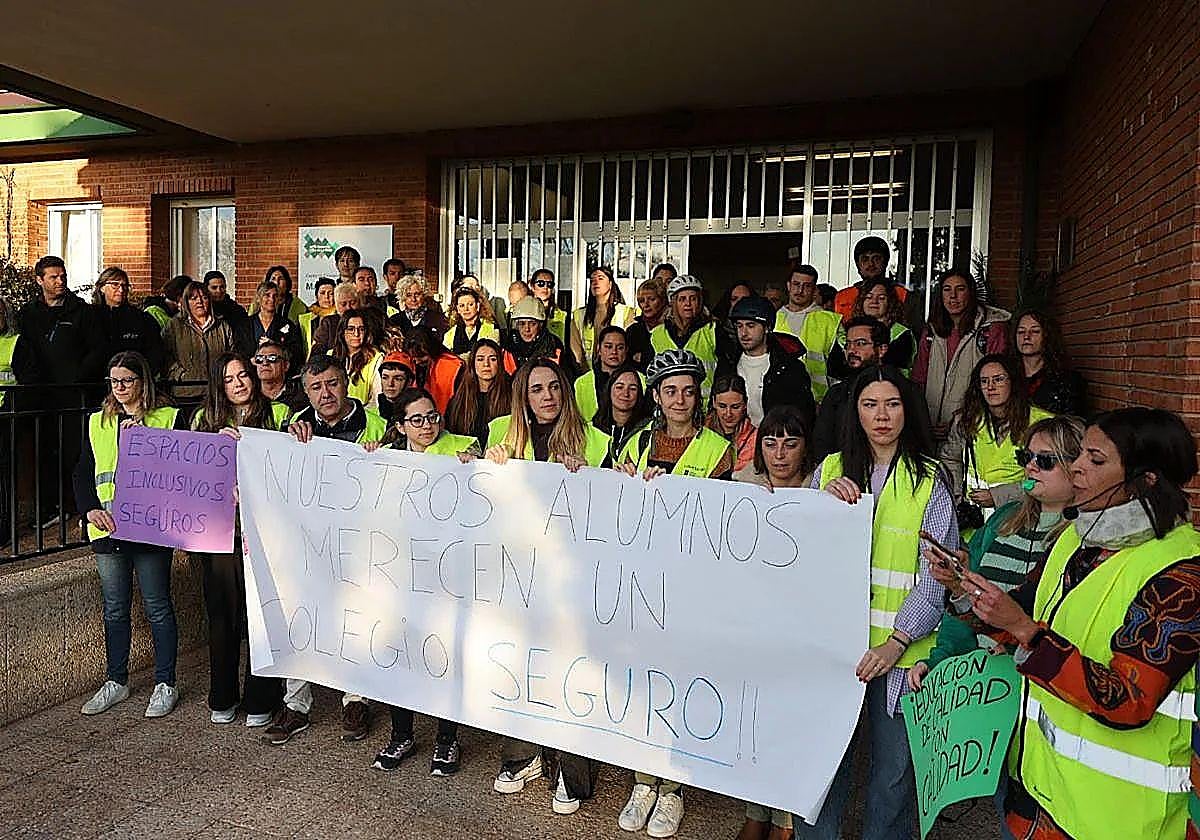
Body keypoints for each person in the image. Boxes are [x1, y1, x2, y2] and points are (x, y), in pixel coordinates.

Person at [952, 408, 1200, 840]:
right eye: (1081, 454)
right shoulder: (1076, 539)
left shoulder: (1181, 573)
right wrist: (964, 588)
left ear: (1146, 479)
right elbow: (1019, 614)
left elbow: (1128, 700)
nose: (1078, 467)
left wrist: (1028, 632)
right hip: (1040, 795)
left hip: (1121, 820)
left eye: (1096, 460)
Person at [797, 364, 956, 840]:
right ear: (855, 411)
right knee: (821, 771)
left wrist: (896, 642)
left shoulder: (929, 479)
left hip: (904, 654)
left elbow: (936, 577)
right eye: (870, 404)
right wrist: (819, 505)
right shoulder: (827, 471)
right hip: (835, 652)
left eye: (892, 404)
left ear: (908, 410)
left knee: (893, 779)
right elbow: (796, 554)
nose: (882, 415)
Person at [484, 360, 611, 816]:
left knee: (571, 671)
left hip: (573, 578)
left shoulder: (595, 440)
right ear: (524, 397)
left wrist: (591, 474)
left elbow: (614, 507)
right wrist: (476, 465)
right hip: (519, 575)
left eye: (554, 387)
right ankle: (523, 755)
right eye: (536, 389)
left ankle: (573, 776)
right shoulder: (505, 435)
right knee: (520, 664)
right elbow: (479, 494)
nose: (547, 396)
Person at [615, 348, 734, 838]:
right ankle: (643, 780)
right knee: (641, 683)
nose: (679, 398)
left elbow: (724, 521)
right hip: (642, 584)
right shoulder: (637, 443)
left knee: (677, 684)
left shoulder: (716, 449)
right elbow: (613, 505)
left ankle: (673, 790)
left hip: (690, 588)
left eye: (688, 390)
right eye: (669, 390)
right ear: (657, 397)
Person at [909, 415, 1084, 685]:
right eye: (1026, 457)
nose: (1031, 468)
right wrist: (939, 661)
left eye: (1045, 460)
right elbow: (967, 600)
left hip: (1035, 687)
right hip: (978, 688)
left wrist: (1014, 646)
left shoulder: (1082, 541)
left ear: (1078, 468)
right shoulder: (1003, 520)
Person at [265, 357, 387, 745]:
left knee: (356, 618)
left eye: (332, 384)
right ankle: (296, 704)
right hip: (309, 543)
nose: (325, 394)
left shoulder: (377, 423)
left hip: (361, 540)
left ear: (346, 382)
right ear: (306, 390)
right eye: (316, 387)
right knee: (300, 616)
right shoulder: (294, 427)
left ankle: (355, 699)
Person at [364, 387, 478, 776]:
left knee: (444, 654)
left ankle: (447, 740)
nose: (427, 425)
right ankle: (402, 733)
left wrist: (476, 467)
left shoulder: (464, 448)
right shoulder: (387, 457)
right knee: (401, 652)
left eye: (432, 416)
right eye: (417, 419)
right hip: (401, 575)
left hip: (449, 575)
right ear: (400, 426)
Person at [74, 351, 187, 719]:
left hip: (151, 530)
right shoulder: (98, 422)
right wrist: (89, 508)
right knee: (115, 609)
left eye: (126, 381)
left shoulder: (168, 418)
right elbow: (82, 471)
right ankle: (116, 680)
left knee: (157, 606)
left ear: (143, 382)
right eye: (114, 382)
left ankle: (165, 683)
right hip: (108, 529)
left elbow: (184, 472)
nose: (119, 388)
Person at [190, 353, 289, 727]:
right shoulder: (203, 420)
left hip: (264, 534)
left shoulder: (278, 416)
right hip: (220, 534)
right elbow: (189, 475)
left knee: (260, 618)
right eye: (230, 379)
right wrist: (214, 449)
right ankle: (223, 695)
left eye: (243, 375)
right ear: (219, 385)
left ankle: (262, 697)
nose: (239, 383)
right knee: (222, 617)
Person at [736, 405, 811, 840]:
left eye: (790, 442)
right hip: (754, 625)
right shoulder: (741, 489)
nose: (780, 453)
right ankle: (757, 810)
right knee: (755, 722)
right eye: (771, 442)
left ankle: (785, 819)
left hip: (799, 630)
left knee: (791, 724)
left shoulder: (824, 496)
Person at [939, 354, 1054, 524]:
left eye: (998, 379)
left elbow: (1051, 478)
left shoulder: (1042, 423)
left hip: (1020, 516)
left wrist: (999, 496)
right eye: (984, 381)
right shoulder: (966, 420)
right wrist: (957, 497)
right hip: (973, 520)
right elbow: (950, 459)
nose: (990, 387)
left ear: (1012, 382)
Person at [913, 268, 1010, 438]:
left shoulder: (991, 329)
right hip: (930, 429)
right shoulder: (931, 331)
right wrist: (922, 421)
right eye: (947, 289)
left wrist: (959, 420)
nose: (953, 296)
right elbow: (918, 380)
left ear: (971, 293)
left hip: (972, 428)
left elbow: (995, 384)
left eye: (960, 289)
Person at [716, 295, 815, 431]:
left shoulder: (789, 368)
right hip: (733, 441)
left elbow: (803, 416)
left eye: (751, 326)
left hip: (773, 444)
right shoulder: (727, 363)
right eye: (739, 326)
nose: (743, 333)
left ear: (767, 328)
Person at [811, 316, 891, 463]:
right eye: (848, 344)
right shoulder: (836, 394)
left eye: (860, 343)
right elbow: (822, 445)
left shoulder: (903, 391)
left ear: (881, 349)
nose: (852, 350)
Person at [772, 265, 842, 402]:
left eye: (807, 286)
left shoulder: (830, 321)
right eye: (796, 284)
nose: (800, 290)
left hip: (818, 400)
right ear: (788, 286)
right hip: (780, 397)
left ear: (814, 290)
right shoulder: (773, 318)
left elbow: (840, 366)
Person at [649, 275, 720, 400]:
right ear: (673, 302)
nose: (688, 304)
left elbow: (724, 375)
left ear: (700, 301)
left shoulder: (713, 330)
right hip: (669, 408)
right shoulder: (657, 334)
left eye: (693, 299)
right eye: (682, 299)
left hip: (705, 410)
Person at [163, 279, 235, 401]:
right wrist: (179, 374)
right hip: (185, 392)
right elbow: (164, 356)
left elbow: (232, 354)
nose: (199, 302)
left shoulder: (223, 326)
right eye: (193, 298)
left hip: (217, 392)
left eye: (204, 297)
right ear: (186, 301)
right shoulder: (174, 326)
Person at [1011, 309, 1087, 415]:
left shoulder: (1068, 380)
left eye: (1035, 331)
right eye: (1021, 332)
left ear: (1047, 336)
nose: (1026, 336)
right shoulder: (1006, 375)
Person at [92, 266, 165, 376]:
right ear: (102, 288)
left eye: (124, 285)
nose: (121, 290)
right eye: (115, 285)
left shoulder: (142, 319)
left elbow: (156, 353)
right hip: (96, 382)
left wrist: (141, 375)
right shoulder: (90, 316)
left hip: (133, 380)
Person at [444, 338, 511, 451]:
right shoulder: (459, 399)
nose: (486, 364)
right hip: (465, 461)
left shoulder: (511, 397)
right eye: (480, 359)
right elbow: (449, 435)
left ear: (499, 363)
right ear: (473, 363)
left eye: (493, 359)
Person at [842, 278, 915, 375]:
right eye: (868, 297)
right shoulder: (850, 329)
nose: (874, 301)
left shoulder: (901, 334)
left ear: (890, 302)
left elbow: (889, 368)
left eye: (881, 298)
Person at [233, 280, 304, 376]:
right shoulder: (244, 325)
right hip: (251, 375)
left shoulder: (287, 325)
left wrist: (275, 345)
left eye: (275, 296)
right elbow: (237, 351)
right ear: (258, 298)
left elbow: (296, 353)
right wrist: (249, 361)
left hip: (278, 376)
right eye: (267, 295)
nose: (271, 299)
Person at [832, 236, 909, 322]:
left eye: (876, 258)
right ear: (858, 264)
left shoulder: (902, 294)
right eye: (865, 259)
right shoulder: (842, 297)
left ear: (885, 262)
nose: (871, 264)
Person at [500, 296, 575, 377]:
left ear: (541, 324)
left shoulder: (553, 347)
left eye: (532, 324)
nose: (527, 329)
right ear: (517, 325)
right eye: (522, 323)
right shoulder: (508, 347)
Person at [573, 265, 635, 363]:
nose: (595, 282)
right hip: (587, 371)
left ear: (610, 284)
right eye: (592, 280)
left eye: (600, 278)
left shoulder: (626, 312)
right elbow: (576, 352)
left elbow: (629, 347)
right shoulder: (579, 315)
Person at [591, 364, 651, 462]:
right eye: (619, 387)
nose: (626, 393)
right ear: (609, 390)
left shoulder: (649, 430)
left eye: (632, 389)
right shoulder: (591, 428)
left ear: (639, 394)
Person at [573, 325, 632, 422]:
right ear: (599, 349)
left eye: (620, 347)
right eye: (608, 347)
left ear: (626, 350)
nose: (614, 352)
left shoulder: (641, 381)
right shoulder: (581, 383)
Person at [706, 374, 757, 482]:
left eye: (735, 407)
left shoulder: (756, 438)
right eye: (722, 406)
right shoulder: (699, 432)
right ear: (714, 402)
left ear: (745, 404)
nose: (728, 414)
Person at [404, 325, 464, 414]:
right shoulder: (415, 366)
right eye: (413, 357)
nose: (416, 361)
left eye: (421, 356)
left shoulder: (452, 366)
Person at [331, 309, 383, 406]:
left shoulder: (376, 358)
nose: (356, 334)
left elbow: (377, 398)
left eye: (361, 329)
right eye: (351, 329)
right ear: (342, 332)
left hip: (364, 415)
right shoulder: (330, 355)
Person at [527, 268, 579, 364]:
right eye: (541, 283)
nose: (545, 287)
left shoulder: (563, 316)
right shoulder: (523, 312)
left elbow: (570, 348)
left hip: (556, 363)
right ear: (532, 286)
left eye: (550, 284)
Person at [251, 339, 307, 412]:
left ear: (286, 365)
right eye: (259, 359)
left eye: (272, 358)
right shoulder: (251, 396)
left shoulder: (301, 394)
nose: (265, 363)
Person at [389, 273, 449, 340]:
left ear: (424, 295)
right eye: (408, 295)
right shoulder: (395, 321)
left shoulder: (437, 319)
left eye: (417, 294)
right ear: (403, 297)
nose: (413, 299)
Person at [443, 286, 500, 356]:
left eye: (470, 304)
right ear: (457, 309)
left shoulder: (491, 329)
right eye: (461, 305)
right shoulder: (450, 334)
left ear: (477, 306)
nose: (466, 309)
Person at [308, 282, 359, 360]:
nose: (348, 308)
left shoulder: (366, 321)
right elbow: (316, 354)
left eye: (352, 303)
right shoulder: (328, 323)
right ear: (336, 305)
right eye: (343, 304)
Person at [626, 278, 668, 371]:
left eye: (652, 299)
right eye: (641, 300)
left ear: (663, 300)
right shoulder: (633, 331)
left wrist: (642, 357)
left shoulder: (672, 329)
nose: (646, 304)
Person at [374, 350, 415, 423]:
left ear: (409, 382)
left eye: (398, 379)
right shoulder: (370, 414)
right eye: (385, 378)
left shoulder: (417, 414)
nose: (390, 384)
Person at [299, 277, 336, 358]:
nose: (326, 296)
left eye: (331, 293)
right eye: (322, 293)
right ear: (316, 296)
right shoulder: (304, 318)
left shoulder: (341, 316)